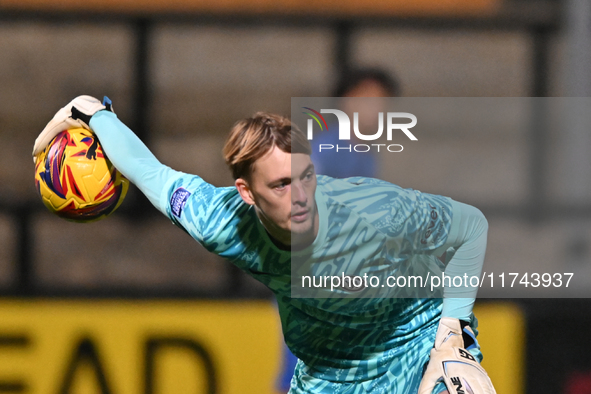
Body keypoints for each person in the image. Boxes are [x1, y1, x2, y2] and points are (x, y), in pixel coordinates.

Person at [33, 96, 496, 394]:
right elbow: (149, 173)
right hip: (331, 373)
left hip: (417, 340)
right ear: (246, 193)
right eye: (279, 185)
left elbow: (470, 228)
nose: (299, 198)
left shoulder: (376, 212)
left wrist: (450, 340)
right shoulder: (223, 221)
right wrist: (92, 113)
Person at [310, 67, 399, 179]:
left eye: (383, 100)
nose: (377, 108)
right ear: (345, 101)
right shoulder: (324, 149)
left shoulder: (368, 154)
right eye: (368, 99)